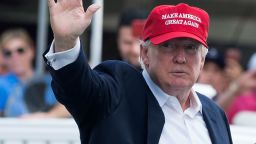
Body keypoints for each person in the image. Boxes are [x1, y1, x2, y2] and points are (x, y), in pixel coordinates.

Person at [45, 1, 232, 144]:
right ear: (145, 54)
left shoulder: (213, 113)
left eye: (190, 48)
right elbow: (78, 87)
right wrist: (66, 43)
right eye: (168, 46)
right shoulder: (117, 93)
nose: (180, 58)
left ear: (202, 61)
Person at [0, 29, 70, 118]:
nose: (15, 57)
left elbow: (73, 104)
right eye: (8, 53)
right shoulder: (1, 84)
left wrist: (47, 116)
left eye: (20, 50)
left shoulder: (49, 82)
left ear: (31, 51)